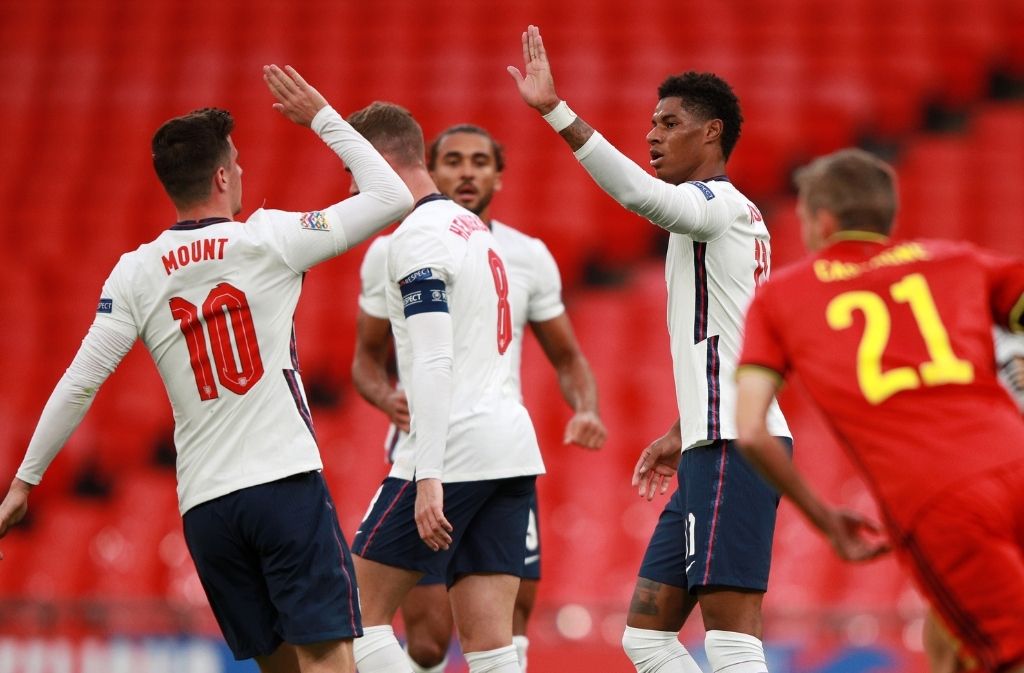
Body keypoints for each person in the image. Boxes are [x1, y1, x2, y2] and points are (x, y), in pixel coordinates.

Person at [0, 66, 413, 673]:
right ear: (222, 175)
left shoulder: (135, 273)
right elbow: (392, 196)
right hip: (282, 486)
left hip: (207, 509)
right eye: (237, 164)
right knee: (328, 661)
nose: (242, 173)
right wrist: (322, 117)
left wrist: (24, 484)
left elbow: (80, 381)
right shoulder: (269, 239)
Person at [509, 25, 791, 673]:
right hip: (709, 438)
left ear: (711, 132)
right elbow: (738, 341)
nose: (651, 135)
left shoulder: (717, 205)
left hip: (735, 445)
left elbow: (638, 195)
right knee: (646, 636)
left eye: (668, 123)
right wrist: (678, 426)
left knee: (730, 634)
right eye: (650, 123)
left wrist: (555, 109)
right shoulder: (727, 218)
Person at [735, 148, 1024, 673]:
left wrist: (825, 519)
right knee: (953, 650)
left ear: (822, 222)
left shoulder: (781, 298)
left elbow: (751, 430)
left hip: (943, 500)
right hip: (1016, 455)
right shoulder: (958, 260)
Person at [351, 123, 606, 673]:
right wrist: (385, 396)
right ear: (432, 168)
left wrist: (586, 407)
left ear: (499, 175)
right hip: (502, 445)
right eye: (455, 161)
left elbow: (558, 357)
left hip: (451, 447)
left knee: (353, 619)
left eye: (480, 161)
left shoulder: (508, 251)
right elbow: (368, 359)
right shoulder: (463, 242)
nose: (467, 172)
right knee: (460, 643)